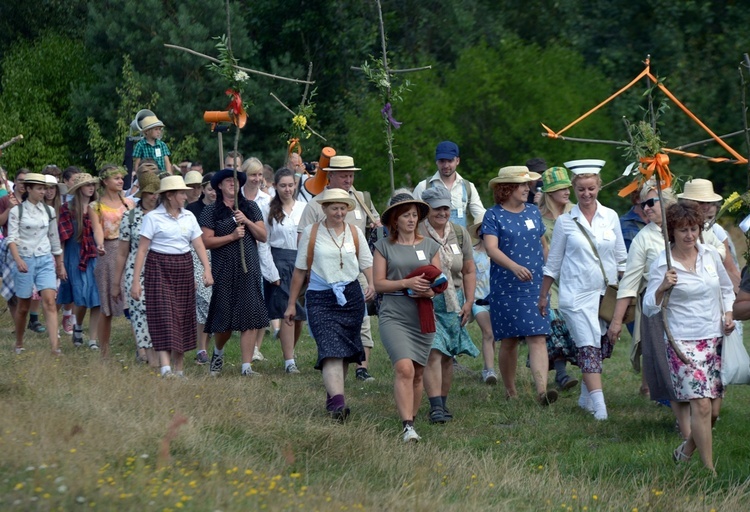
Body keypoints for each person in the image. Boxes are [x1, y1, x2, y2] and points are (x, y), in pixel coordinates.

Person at [643, 203, 734, 474]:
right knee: (702, 406)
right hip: (681, 341)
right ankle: (709, 471)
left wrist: (728, 314)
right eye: (683, 230)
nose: (689, 235)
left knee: (714, 410)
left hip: (713, 338)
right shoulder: (663, 262)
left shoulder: (710, 256)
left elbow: (727, 289)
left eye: (693, 228)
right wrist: (662, 287)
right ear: (672, 231)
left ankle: (684, 451)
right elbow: (649, 306)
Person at [539, 159, 626, 421]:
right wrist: (543, 296)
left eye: (591, 189)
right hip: (575, 296)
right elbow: (552, 264)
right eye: (581, 190)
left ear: (599, 187)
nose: (586, 194)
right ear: (574, 190)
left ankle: (585, 399)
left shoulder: (610, 216)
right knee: (588, 346)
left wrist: (624, 294)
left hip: (604, 295)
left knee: (599, 347)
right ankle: (601, 411)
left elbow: (621, 258)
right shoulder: (566, 222)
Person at [606, 183, 689, 436]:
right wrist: (617, 321)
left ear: (667, 203)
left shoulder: (686, 231)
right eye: (642, 204)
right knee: (671, 366)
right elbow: (629, 283)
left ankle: (700, 412)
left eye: (650, 202)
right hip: (660, 312)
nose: (645, 208)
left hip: (693, 310)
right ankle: (684, 424)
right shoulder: (644, 238)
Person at [285, 188, 374, 420]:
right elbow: (299, 270)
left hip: (352, 297)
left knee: (344, 352)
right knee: (331, 349)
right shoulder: (312, 233)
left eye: (343, 208)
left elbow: (366, 263)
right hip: (321, 297)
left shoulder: (355, 232)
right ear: (324, 209)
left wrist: (372, 284)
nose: (339, 212)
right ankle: (339, 404)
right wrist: (292, 304)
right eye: (334, 207)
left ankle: (334, 398)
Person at [297, 155, 381, 382]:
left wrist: (377, 226)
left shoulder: (361, 198)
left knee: (362, 320)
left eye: (351, 174)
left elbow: (376, 222)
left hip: (356, 268)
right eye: (343, 175)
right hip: (324, 274)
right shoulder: (315, 204)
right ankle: (333, 357)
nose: (348, 179)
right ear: (330, 175)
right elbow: (302, 240)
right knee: (328, 325)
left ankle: (362, 367)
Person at [482, 166, 556, 405]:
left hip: (534, 285)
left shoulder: (534, 212)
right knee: (510, 340)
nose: (528, 189)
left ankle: (542, 392)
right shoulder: (493, 215)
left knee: (538, 336)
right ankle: (511, 390)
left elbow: (543, 245)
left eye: (527, 184)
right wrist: (514, 267)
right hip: (506, 286)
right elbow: (491, 249)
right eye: (522, 185)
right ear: (507, 188)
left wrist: (549, 274)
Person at [373, 192, 441, 441]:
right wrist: (407, 283)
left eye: (414, 215)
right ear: (394, 219)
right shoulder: (383, 247)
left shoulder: (430, 245)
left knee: (418, 371)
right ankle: (407, 425)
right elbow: (378, 284)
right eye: (405, 215)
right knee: (404, 368)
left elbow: (439, 284)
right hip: (394, 313)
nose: (411, 220)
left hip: (422, 313)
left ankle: (411, 420)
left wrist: (429, 291)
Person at [131, 176, 213, 377]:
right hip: (158, 266)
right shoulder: (153, 218)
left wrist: (207, 269)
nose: (186, 196)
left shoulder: (189, 217)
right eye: (181, 193)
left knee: (183, 316)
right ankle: (166, 367)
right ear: (169, 196)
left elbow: (199, 244)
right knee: (163, 315)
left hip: (183, 266)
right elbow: (142, 250)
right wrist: (135, 281)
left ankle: (179, 369)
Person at [200, 168, 269, 377]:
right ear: (219, 186)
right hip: (223, 269)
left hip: (249, 267)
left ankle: (246, 366)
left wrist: (246, 221)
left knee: (249, 315)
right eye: (228, 181)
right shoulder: (211, 211)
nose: (233, 184)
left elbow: (263, 236)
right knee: (224, 320)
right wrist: (230, 236)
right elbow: (205, 241)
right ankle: (218, 353)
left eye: (236, 181)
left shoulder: (250, 206)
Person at [419, 186, 479, 423]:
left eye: (446, 208)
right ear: (427, 210)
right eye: (437, 209)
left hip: (454, 300)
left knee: (447, 356)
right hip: (427, 300)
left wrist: (470, 301)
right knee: (433, 351)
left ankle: (442, 403)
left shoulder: (459, 233)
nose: (443, 213)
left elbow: (469, 270)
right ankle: (434, 407)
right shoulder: (417, 232)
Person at [6, 173, 65, 354]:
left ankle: (55, 347)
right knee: (23, 306)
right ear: (29, 189)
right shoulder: (18, 211)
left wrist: (59, 264)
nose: (43, 192)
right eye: (39, 188)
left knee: (49, 300)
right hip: (25, 258)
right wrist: (18, 260)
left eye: (44, 188)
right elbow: (12, 238)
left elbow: (54, 238)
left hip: (45, 258)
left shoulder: (49, 211)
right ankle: (19, 342)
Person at [537, 167, 578, 390]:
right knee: (554, 321)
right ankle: (561, 373)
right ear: (549, 192)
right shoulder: (539, 218)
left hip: (574, 275)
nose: (566, 191)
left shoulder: (577, 212)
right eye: (560, 188)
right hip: (550, 276)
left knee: (572, 323)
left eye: (566, 187)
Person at [113, 173, 161, 367]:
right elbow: (122, 252)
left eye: (156, 192)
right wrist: (116, 283)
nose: (153, 196)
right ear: (142, 193)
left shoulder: (165, 215)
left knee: (158, 313)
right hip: (135, 270)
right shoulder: (130, 216)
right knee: (141, 312)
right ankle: (149, 357)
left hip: (160, 267)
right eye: (149, 193)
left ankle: (160, 356)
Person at [89, 165, 135, 357]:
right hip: (107, 253)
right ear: (105, 181)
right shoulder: (96, 206)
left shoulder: (129, 204)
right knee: (106, 306)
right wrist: (99, 244)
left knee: (134, 302)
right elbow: (98, 229)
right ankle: (104, 351)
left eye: (121, 178)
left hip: (129, 252)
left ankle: (142, 350)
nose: (120, 181)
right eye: (115, 178)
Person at [265, 168, 306, 373]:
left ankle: (290, 350)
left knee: (298, 315)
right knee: (287, 312)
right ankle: (289, 361)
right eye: (283, 185)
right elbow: (265, 242)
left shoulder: (303, 208)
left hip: (300, 261)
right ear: (275, 186)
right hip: (279, 260)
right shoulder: (269, 209)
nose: (287, 189)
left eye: (291, 185)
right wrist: (271, 271)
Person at [57, 173, 102, 349]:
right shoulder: (67, 208)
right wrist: (60, 263)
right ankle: (78, 327)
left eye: (92, 185)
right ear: (78, 189)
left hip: (94, 254)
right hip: (73, 255)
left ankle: (93, 340)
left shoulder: (98, 207)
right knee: (81, 296)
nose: (91, 188)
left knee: (97, 298)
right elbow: (62, 238)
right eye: (87, 185)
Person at [240, 157, 278, 362]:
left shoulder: (267, 199)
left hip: (262, 251)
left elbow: (269, 232)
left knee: (260, 301)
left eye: (259, 175)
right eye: (252, 174)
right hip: (238, 251)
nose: (257, 179)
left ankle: (256, 347)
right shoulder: (236, 198)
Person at [677, 178, 741, 292]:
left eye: (709, 203)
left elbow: (729, 267)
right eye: (701, 202)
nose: (706, 207)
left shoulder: (713, 230)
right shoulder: (675, 228)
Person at [413, 141, 485, 227]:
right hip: (431, 239)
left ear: (457, 161)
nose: (446, 165)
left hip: (460, 240)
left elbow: (481, 216)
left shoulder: (468, 187)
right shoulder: (423, 186)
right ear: (436, 161)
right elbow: (413, 217)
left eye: (450, 161)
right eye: (442, 161)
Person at [187, 172, 216, 366]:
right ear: (203, 189)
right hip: (197, 255)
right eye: (209, 189)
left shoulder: (222, 209)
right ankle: (201, 348)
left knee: (213, 303)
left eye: (215, 189)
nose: (213, 193)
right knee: (203, 301)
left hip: (218, 254)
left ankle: (208, 345)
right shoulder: (192, 209)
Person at [467, 215, 497, 385]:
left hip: (497, 300)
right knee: (488, 333)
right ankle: (490, 371)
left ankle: (488, 367)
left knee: (492, 336)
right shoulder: (471, 253)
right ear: (478, 232)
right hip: (478, 300)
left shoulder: (500, 252)